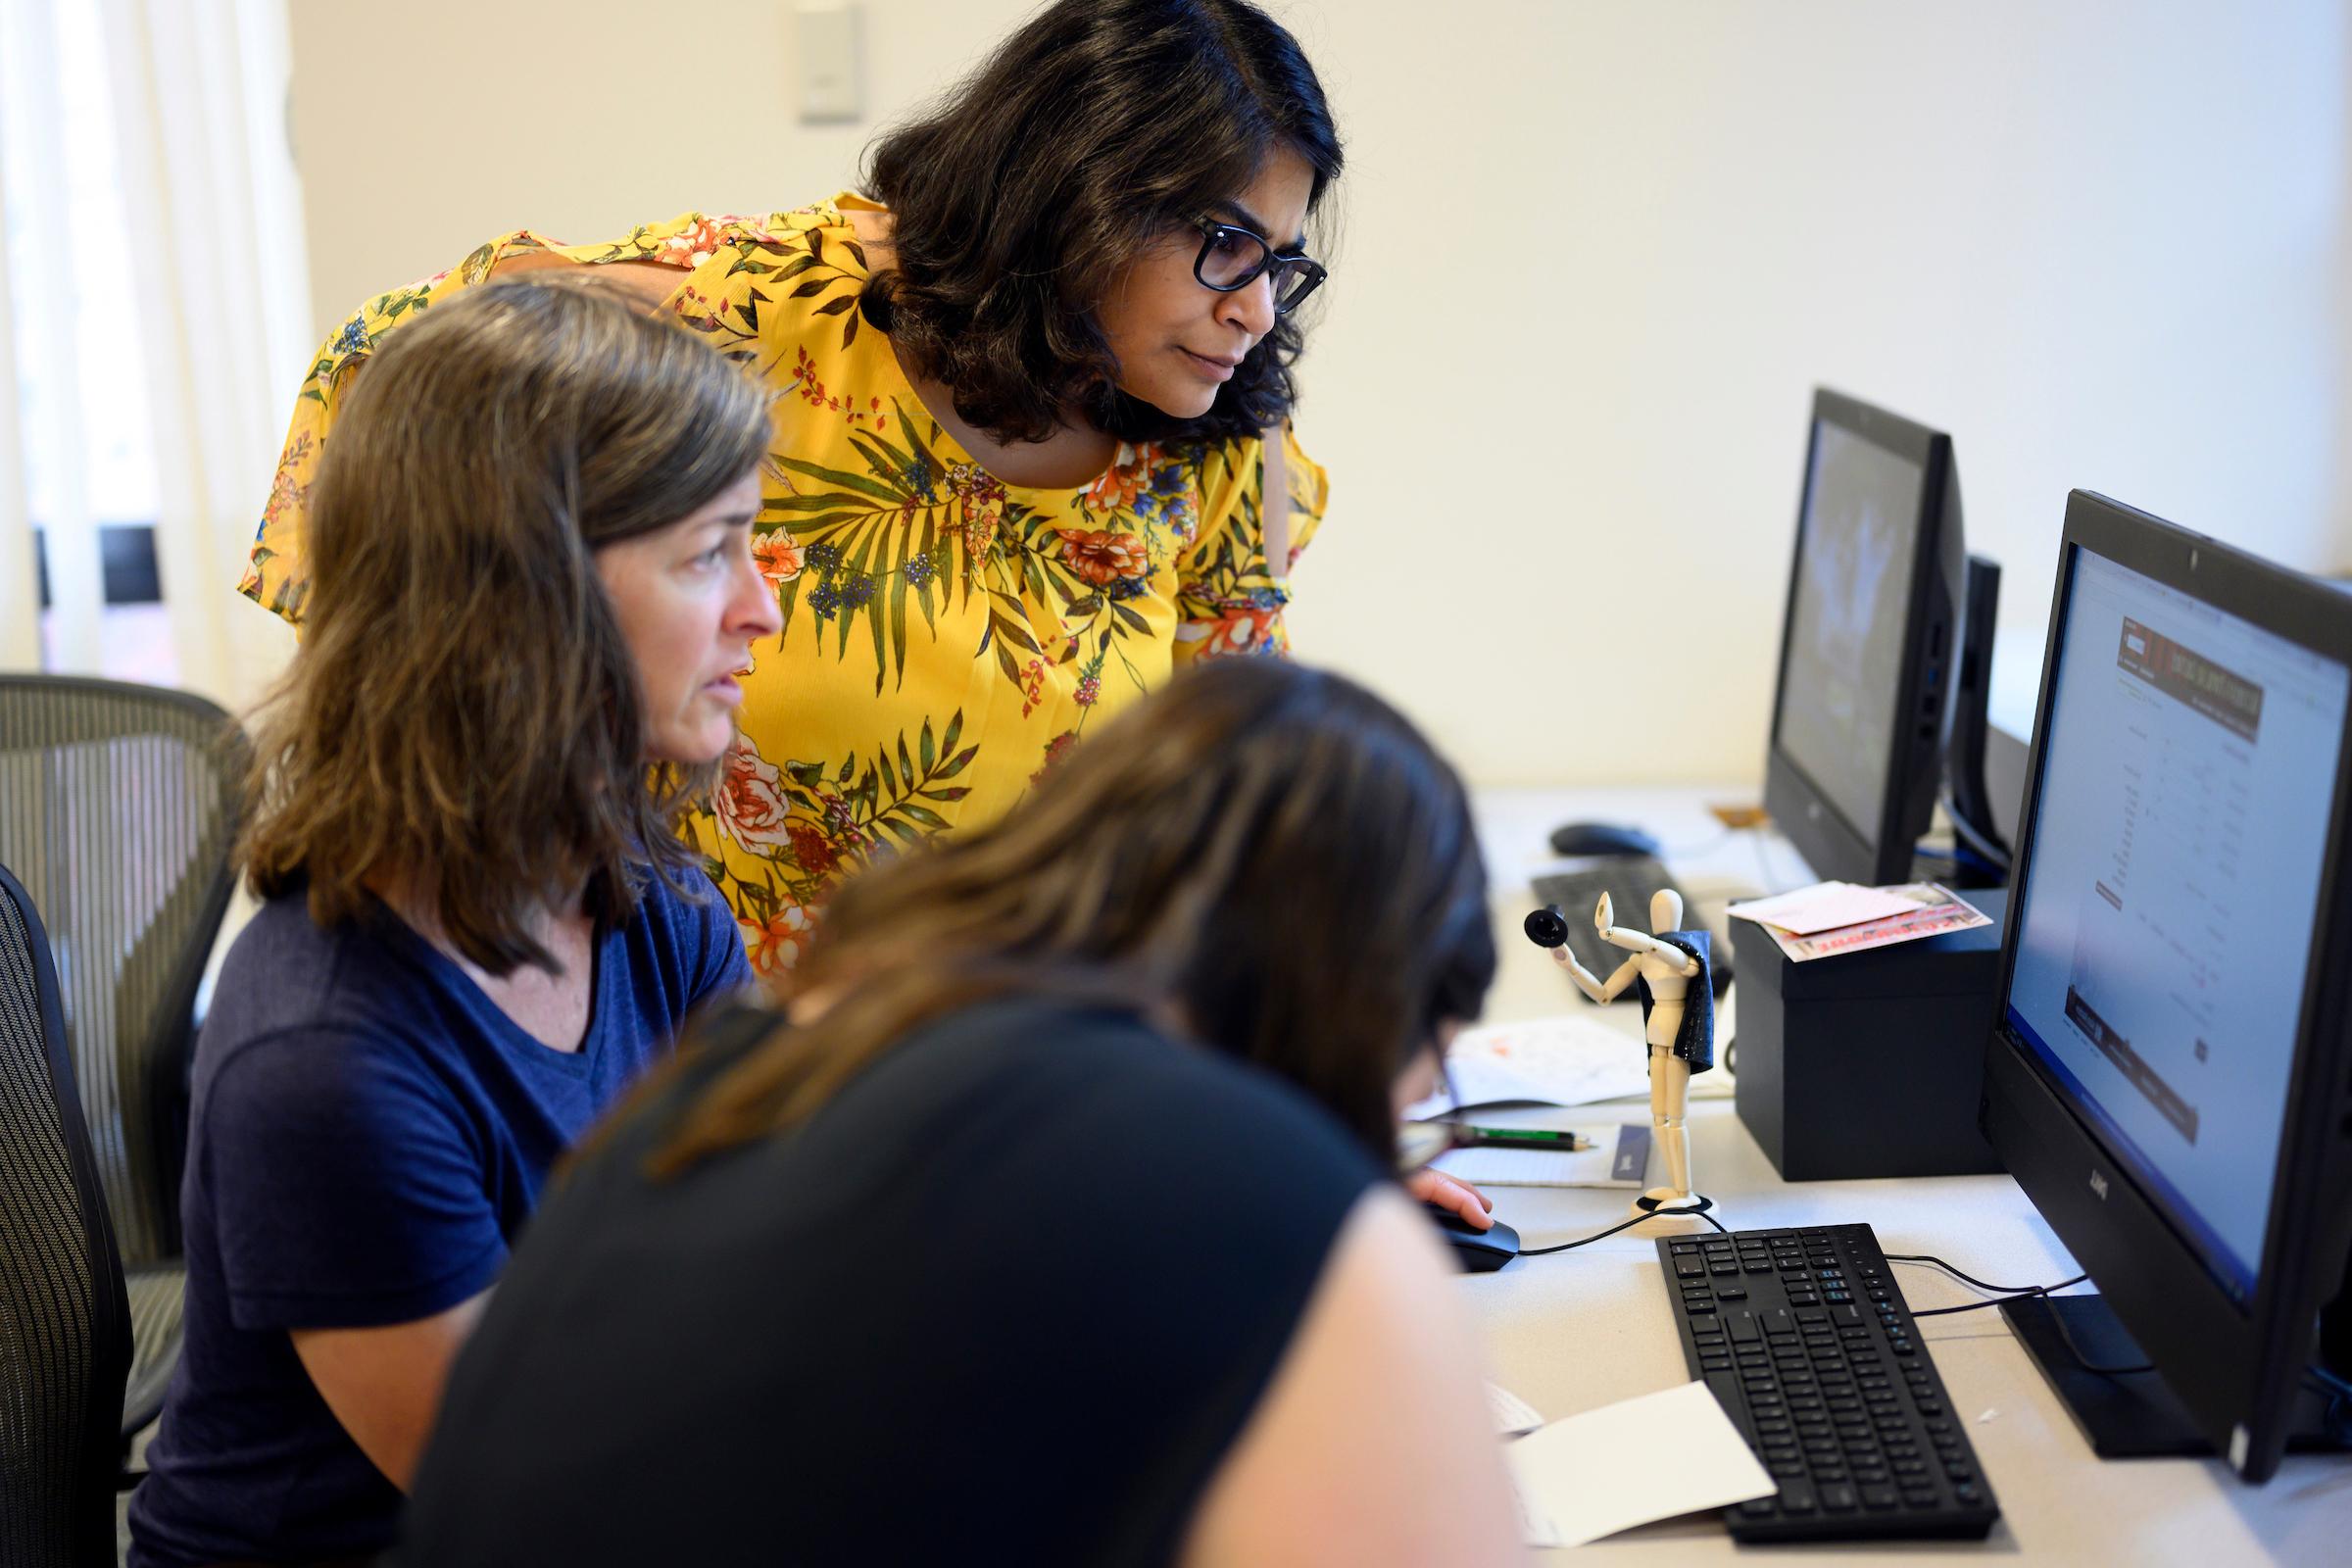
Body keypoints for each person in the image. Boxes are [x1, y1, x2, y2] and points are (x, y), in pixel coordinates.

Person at [240, 0, 1341, 982]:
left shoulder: (1220, 433)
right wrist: (446, 673)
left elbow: (1234, 808)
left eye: (1283, 264)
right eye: (1227, 243)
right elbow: (385, 353)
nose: (1255, 309)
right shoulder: (783, 305)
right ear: (1086, 190)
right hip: (713, 1058)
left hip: (1028, 1072)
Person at [394, 659, 1528, 1567]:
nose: (1382, 1141)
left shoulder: (776, 1056)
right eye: (1414, 1091)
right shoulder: (1274, 1198)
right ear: (1361, 1001)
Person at [128, 278, 780, 1568]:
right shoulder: (326, 1064)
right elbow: (548, 1509)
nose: (762, 607)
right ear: (527, 599)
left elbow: (773, 1251)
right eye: (711, 553)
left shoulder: (656, 907)